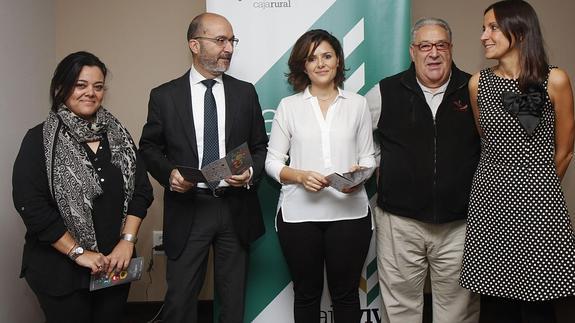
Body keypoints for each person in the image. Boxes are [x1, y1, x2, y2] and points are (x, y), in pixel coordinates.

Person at [139, 12, 268, 323]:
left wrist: (249, 173)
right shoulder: (165, 96)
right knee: (180, 301)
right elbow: (149, 147)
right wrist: (169, 174)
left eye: (232, 41)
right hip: (188, 208)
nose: (229, 48)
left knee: (233, 301)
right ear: (194, 45)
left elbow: (260, 147)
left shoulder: (244, 92)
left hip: (235, 208)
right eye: (220, 40)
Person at [12, 51, 153, 323]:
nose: (91, 92)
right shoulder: (38, 140)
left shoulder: (119, 137)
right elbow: (32, 206)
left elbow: (141, 191)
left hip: (114, 265)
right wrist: (78, 253)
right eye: (81, 85)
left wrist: (127, 242)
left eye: (98, 86)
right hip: (59, 272)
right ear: (60, 88)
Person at [459, 1, 575, 322]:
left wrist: (540, 188)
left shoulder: (556, 80)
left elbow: (565, 149)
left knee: (539, 303)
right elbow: (488, 140)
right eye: (484, 28)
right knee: (495, 305)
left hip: (540, 206)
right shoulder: (478, 84)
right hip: (490, 202)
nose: (484, 36)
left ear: (521, 31)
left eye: (493, 27)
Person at [367, 17, 481, 322]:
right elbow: (360, 140)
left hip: (460, 224)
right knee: (401, 308)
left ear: (451, 49)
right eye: (425, 46)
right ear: (412, 51)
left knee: (458, 310)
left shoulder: (472, 89)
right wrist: (381, 163)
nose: (433, 53)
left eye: (441, 45)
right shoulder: (384, 92)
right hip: (399, 223)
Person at [265, 29, 375, 323]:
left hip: (350, 214)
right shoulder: (289, 107)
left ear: (338, 60)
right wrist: (299, 176)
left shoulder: (358, 104)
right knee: (306, 294)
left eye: (327, 56)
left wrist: (360, 176)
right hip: (299, 215)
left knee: (346, 295)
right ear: (303, 66)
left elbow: (368, 158)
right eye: (312, 59)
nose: (321, 64)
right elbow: (272, 162)